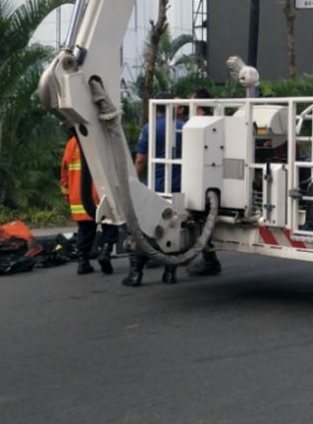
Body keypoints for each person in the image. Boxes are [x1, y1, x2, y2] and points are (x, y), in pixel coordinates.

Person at [123, 94, 186, 287]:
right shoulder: (185, 128)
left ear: (156, 109)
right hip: (180, 189)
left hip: (157, 188)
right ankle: (169, 273)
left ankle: (135, 274)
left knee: (143, 230)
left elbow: (141, 160)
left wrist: (131, 182)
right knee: (174, 230)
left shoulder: (150, 129)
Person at [59, 134, 117, 275]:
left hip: (80, 196)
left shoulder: (72, 143)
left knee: (84, 230)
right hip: (103, 193)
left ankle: (83, 262)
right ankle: (105, 252)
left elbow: (64, 173)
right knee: (110, 224)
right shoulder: (103, 139)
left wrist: (68, 195)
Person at [185, 88, 224, 277]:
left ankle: (208, 259)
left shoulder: (197, 125)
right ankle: (208, 258)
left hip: (201, 183)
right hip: (206, 182)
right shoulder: (214, 124)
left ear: (199, 104)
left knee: (200, 218)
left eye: (191, 100)